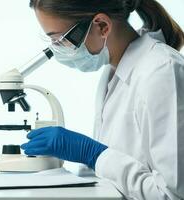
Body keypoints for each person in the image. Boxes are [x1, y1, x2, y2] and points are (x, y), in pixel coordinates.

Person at [20, 0, 184, 199]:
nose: (57, 49)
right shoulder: (113, 71)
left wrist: (95, 154)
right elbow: (115, 177)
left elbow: (172, 194)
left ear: (102, 26)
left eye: (60, 39)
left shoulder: (162, 72)